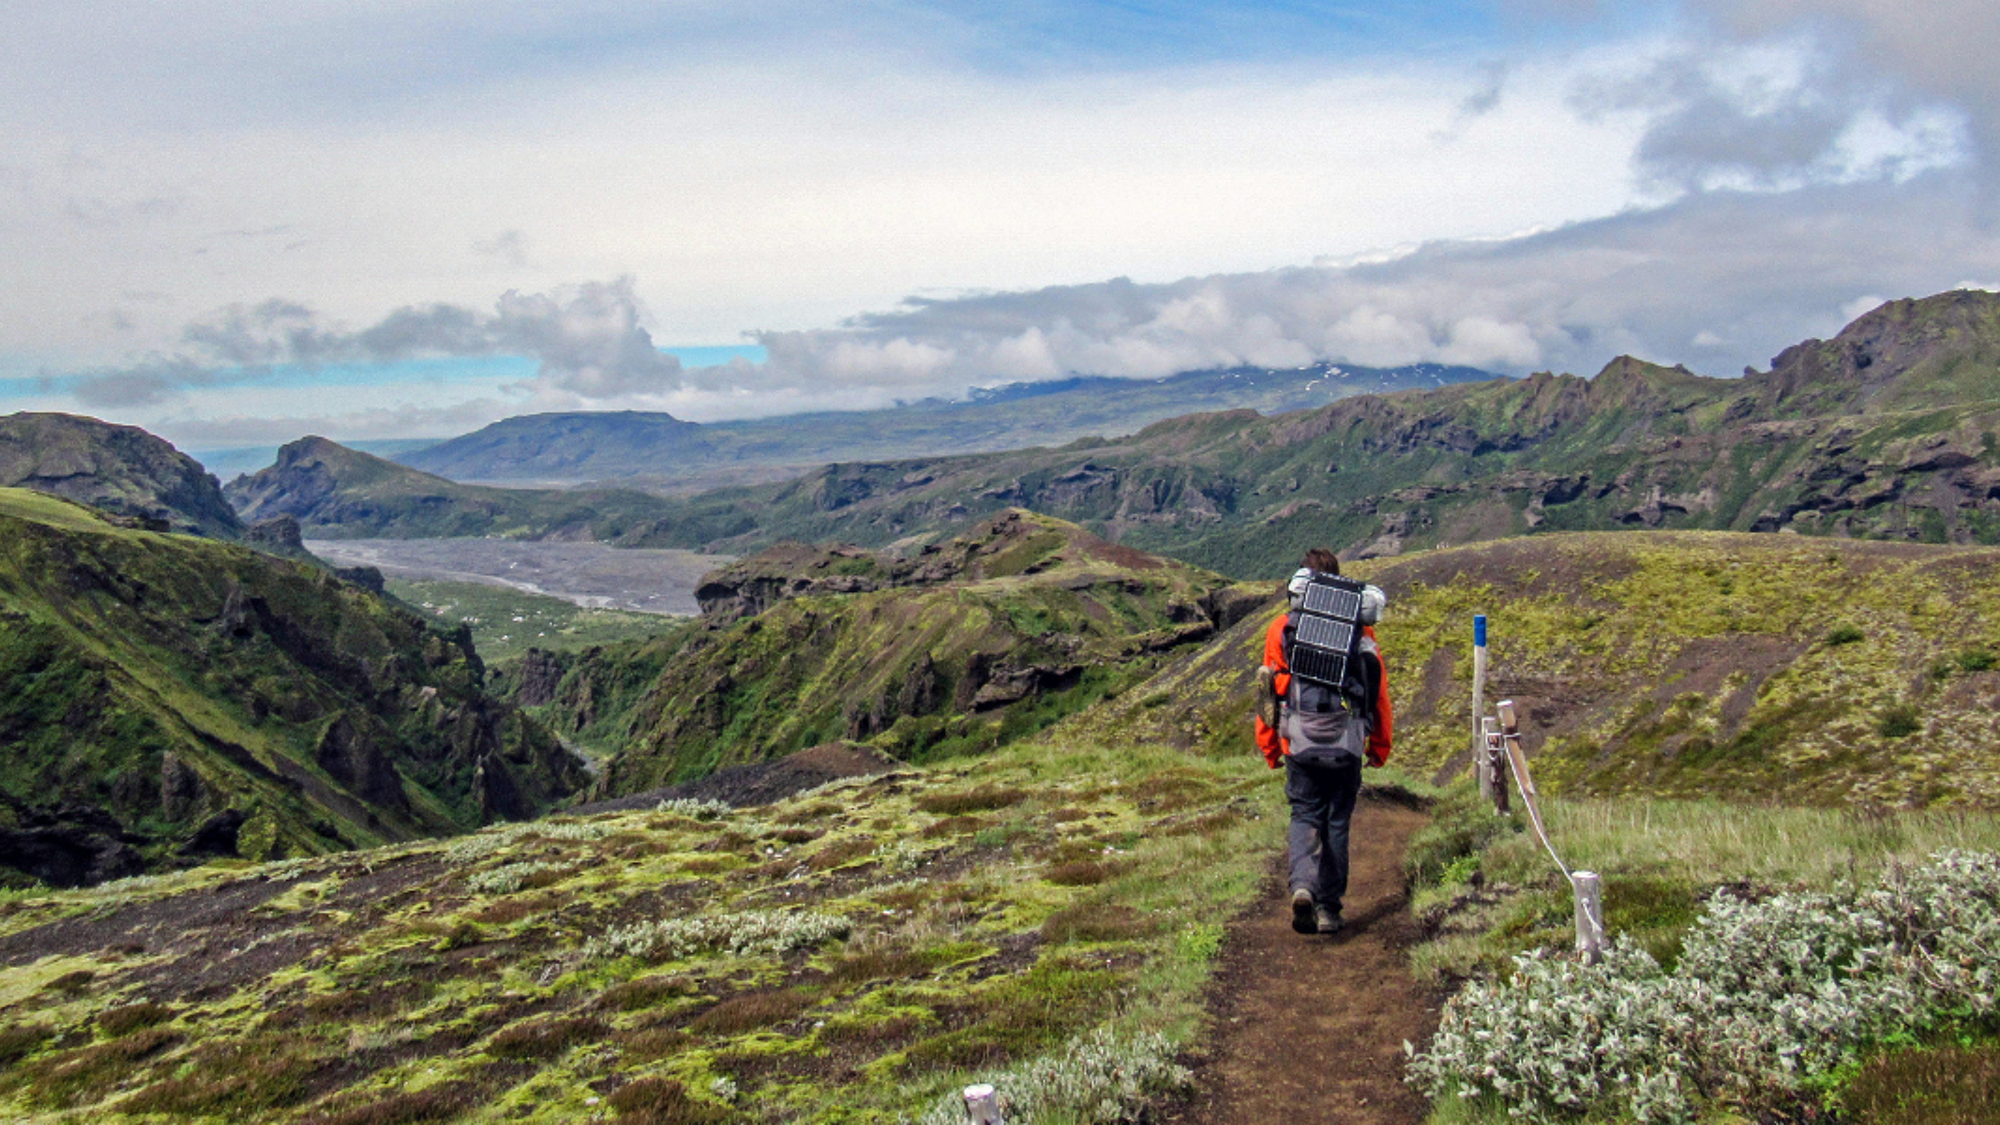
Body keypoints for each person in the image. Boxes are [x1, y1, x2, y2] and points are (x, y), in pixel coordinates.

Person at [1253, 547, 1393, 936]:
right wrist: (1379, 744)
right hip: (1346, 744)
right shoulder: (1361, 630)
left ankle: (1302, 887)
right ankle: (1330, 910)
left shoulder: (1281, 628)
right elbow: (1376, 690)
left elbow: (1270, 692)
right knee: (1337, 822)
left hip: (1299, 743)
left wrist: (1270, 747)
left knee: (1304, 815)